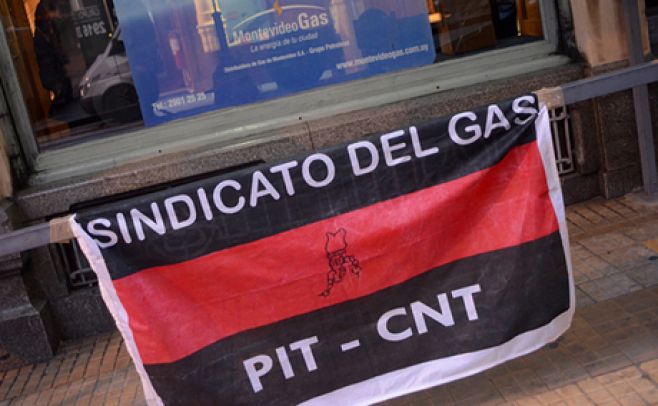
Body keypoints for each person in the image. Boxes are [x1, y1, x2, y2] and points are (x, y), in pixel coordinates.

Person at [33, 0, 73, 114]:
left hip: (64, 76)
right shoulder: (41, 37)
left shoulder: (51, 30)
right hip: (59, 79)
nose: (56, 15)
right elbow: (45, 64)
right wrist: (57, 86)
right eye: (53, 12)